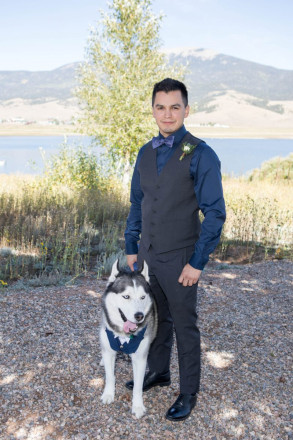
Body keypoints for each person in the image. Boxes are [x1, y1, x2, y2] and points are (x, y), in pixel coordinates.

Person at [124, 78, 226, 421]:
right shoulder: (145, 151)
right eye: (160, 107)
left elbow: (215, 214)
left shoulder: (202, 154)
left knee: (185, 325)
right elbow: (138, 202)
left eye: (175, 107)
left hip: (182, 257)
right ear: (153, 109)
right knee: (157, 318)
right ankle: (158, 372)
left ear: (186, 109)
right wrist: (131, 246)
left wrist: (197, 262)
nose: (167, 114)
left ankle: (189, 392)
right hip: (149, 255)